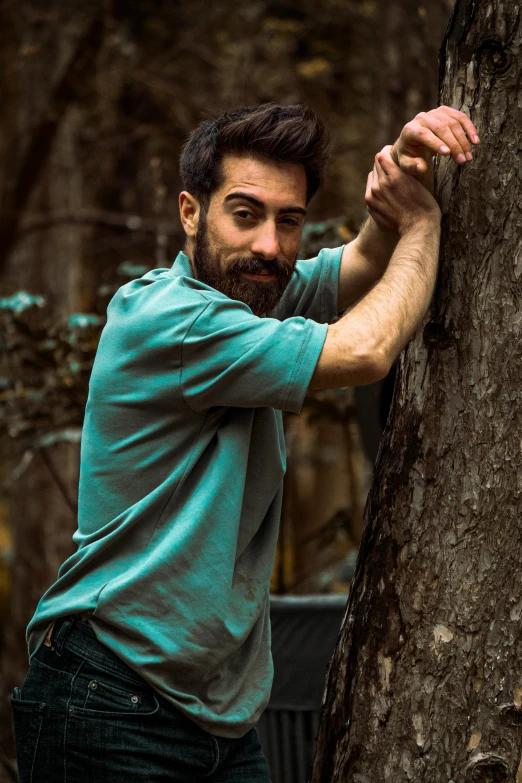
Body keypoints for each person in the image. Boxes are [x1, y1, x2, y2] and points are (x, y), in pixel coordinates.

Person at [10, 103, 479, 782]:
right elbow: (366, 348)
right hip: (108, 700)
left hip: (215, 721)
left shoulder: (251, 299)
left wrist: (407, 173)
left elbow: (359, 265)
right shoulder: (170, 318)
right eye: (245, 212)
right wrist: (424, 223)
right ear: (190, 213)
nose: (268, 245)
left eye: (288, 220)